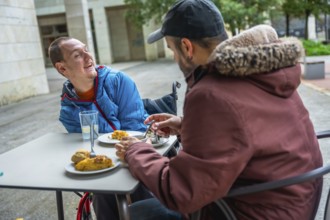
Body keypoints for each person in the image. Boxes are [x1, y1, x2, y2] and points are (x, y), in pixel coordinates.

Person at [115, 0, 323, 219]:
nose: (174, 58)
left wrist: (135, 151)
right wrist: (188, 126)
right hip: (293, 203)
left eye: (172, 50)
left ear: (187, 47)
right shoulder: (263, 73)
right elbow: (251, 130)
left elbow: (181, 193)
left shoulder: (211, 94)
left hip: (247, 212)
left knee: (132, 213)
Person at [48, 37, 151, 220]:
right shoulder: (68, 110)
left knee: (142, 188)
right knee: (102, 193)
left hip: (137, 156)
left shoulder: (119, 82)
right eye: (78, 55)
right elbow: (86, 147)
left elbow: (135, 130)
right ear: (62, 68)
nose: (89, 57)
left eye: (87, 50)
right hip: (105, 168)